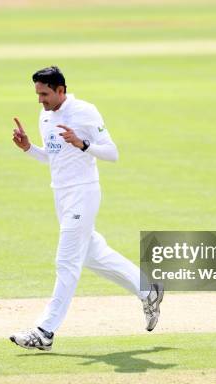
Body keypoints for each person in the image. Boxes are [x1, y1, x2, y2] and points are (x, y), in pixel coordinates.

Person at [9, 66, 163, 351]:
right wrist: (29, 148)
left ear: (60, 90)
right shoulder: (45, 115)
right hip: (61, 196)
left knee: (66, 263)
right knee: (94, 255)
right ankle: (148, 290)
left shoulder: (84, 112)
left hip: (84, 194)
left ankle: (45, 332)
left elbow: (112, 153)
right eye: (37, 94)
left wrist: (83, 143)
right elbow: (54, 158)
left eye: (44, 94)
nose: (40, 100)